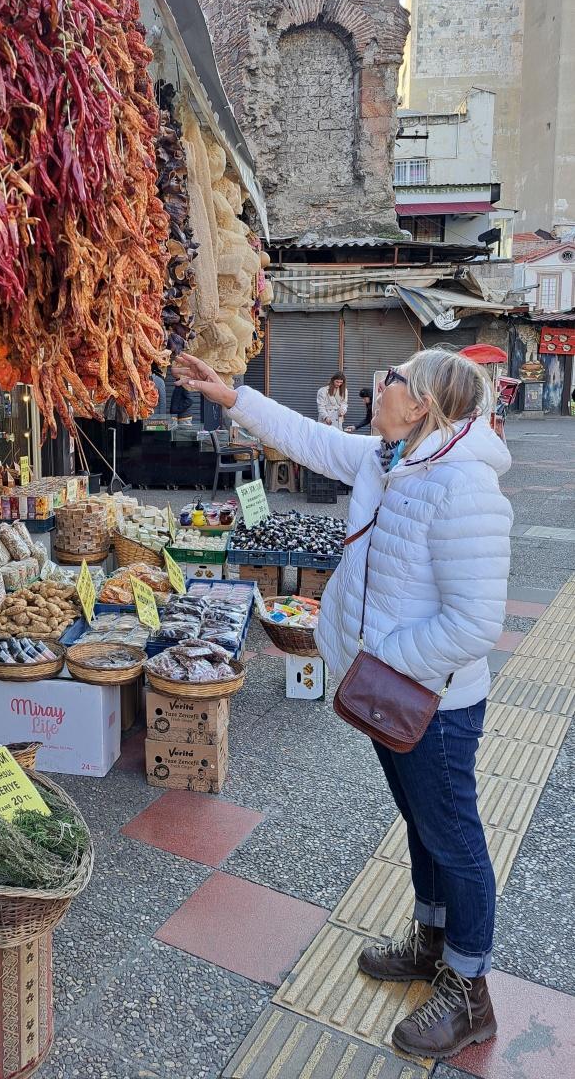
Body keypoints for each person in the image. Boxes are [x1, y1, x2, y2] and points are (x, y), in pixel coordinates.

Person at [172, 348, 512, 1061]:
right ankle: (432, 943)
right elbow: (309, 438)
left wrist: (386, 663)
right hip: (391, 688)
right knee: (422, 826)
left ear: (421, 405)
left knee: (456, 838)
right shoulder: (393, 458)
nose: (378, 386)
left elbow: (477, 622)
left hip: (435, 702)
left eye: (392, 379)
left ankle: (469, 991)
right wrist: (231, 396)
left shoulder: (463, 486)